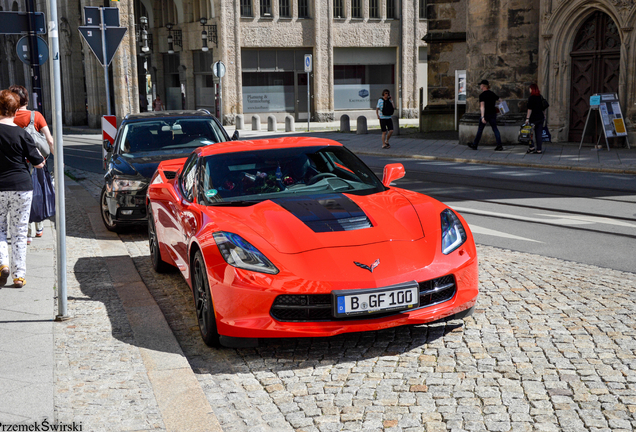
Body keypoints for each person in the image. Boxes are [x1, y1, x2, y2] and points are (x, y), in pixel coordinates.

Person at [0, 90, 45, 288]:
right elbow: (38, 162)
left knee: (0, 230)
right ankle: (19, 275)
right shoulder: (22, 134)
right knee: (19, 232)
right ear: (16, 110)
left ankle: (3, 264)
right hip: (21, 187)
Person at [9, 85, 54, 244]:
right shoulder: (37, 116)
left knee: (24, 196)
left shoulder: (9, 118)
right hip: (38, 161)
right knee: (38, 193)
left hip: (18, 164)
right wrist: (56, 158)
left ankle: (27, 234)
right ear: (26, 99)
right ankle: (39, 227)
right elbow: (49, 139)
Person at [469, 80, 503, 151]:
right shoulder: (492, 93)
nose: (480, 86)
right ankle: (499, 145)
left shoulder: (482, 95)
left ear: (483, 86)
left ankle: (475, 144)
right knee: (495, 129)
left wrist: (482, 117)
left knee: (480, 130)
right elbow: (500, 100)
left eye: (480, 85)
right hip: (493, 114)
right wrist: (498, 107)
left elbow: (482, 106)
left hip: (486, 114)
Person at [524, 84, 545, 154]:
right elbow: (543, 108)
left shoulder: (531, 98)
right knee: (539, 134)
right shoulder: (540, 97)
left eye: (530, 89)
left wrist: (527, 118)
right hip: (540, 117)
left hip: (533, 118)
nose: (529, 90)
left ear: (532, 89)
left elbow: (529, 109)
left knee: (530, 133)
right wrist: (544, 116)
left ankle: (531, 147)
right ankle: (539, 149)